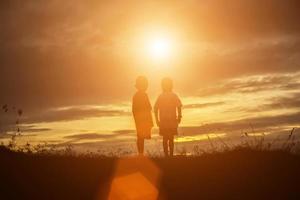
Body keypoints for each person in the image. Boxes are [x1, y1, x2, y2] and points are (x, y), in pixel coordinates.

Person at [154, 77, 182, 157]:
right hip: (167, 122)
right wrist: (179, 116)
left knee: (167, 139)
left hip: (168, 122)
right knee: (168, 139)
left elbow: (155, 109)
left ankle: (169, 155)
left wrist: (157, 120)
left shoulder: (164, 96)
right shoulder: (171, 95)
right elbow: (179, 106)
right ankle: (169, 155)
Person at [132, 76, 153, 155]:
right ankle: (141, 154)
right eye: (145, 85)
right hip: (143, 119)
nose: (146, 87)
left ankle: (141, 153)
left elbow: (134, 110)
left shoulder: (136, 96)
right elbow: (149, 108)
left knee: (140, 137)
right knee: (141, 137)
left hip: (139, 119)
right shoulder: (143, 95)